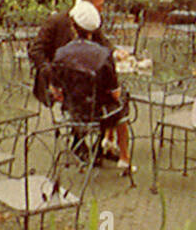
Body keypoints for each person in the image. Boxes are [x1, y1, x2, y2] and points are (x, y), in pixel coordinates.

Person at [49, 36, 133, 171]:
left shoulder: (61, 53)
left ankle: (108, 140)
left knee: (110, 101)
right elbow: (115, 94)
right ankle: (124, 156)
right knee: (122, 100)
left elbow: (55, 91)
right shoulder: (103, 54)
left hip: (72, 112)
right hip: (99, 114)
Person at [30, 0, 110, 106]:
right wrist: (52, 74)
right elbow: (36, 51)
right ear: (87, 6)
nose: (101, 10)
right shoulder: (57, 21)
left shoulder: (91, 21)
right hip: (59, 83)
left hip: (85, 82)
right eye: (99, 6)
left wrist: (117, 53)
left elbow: (103, 43)